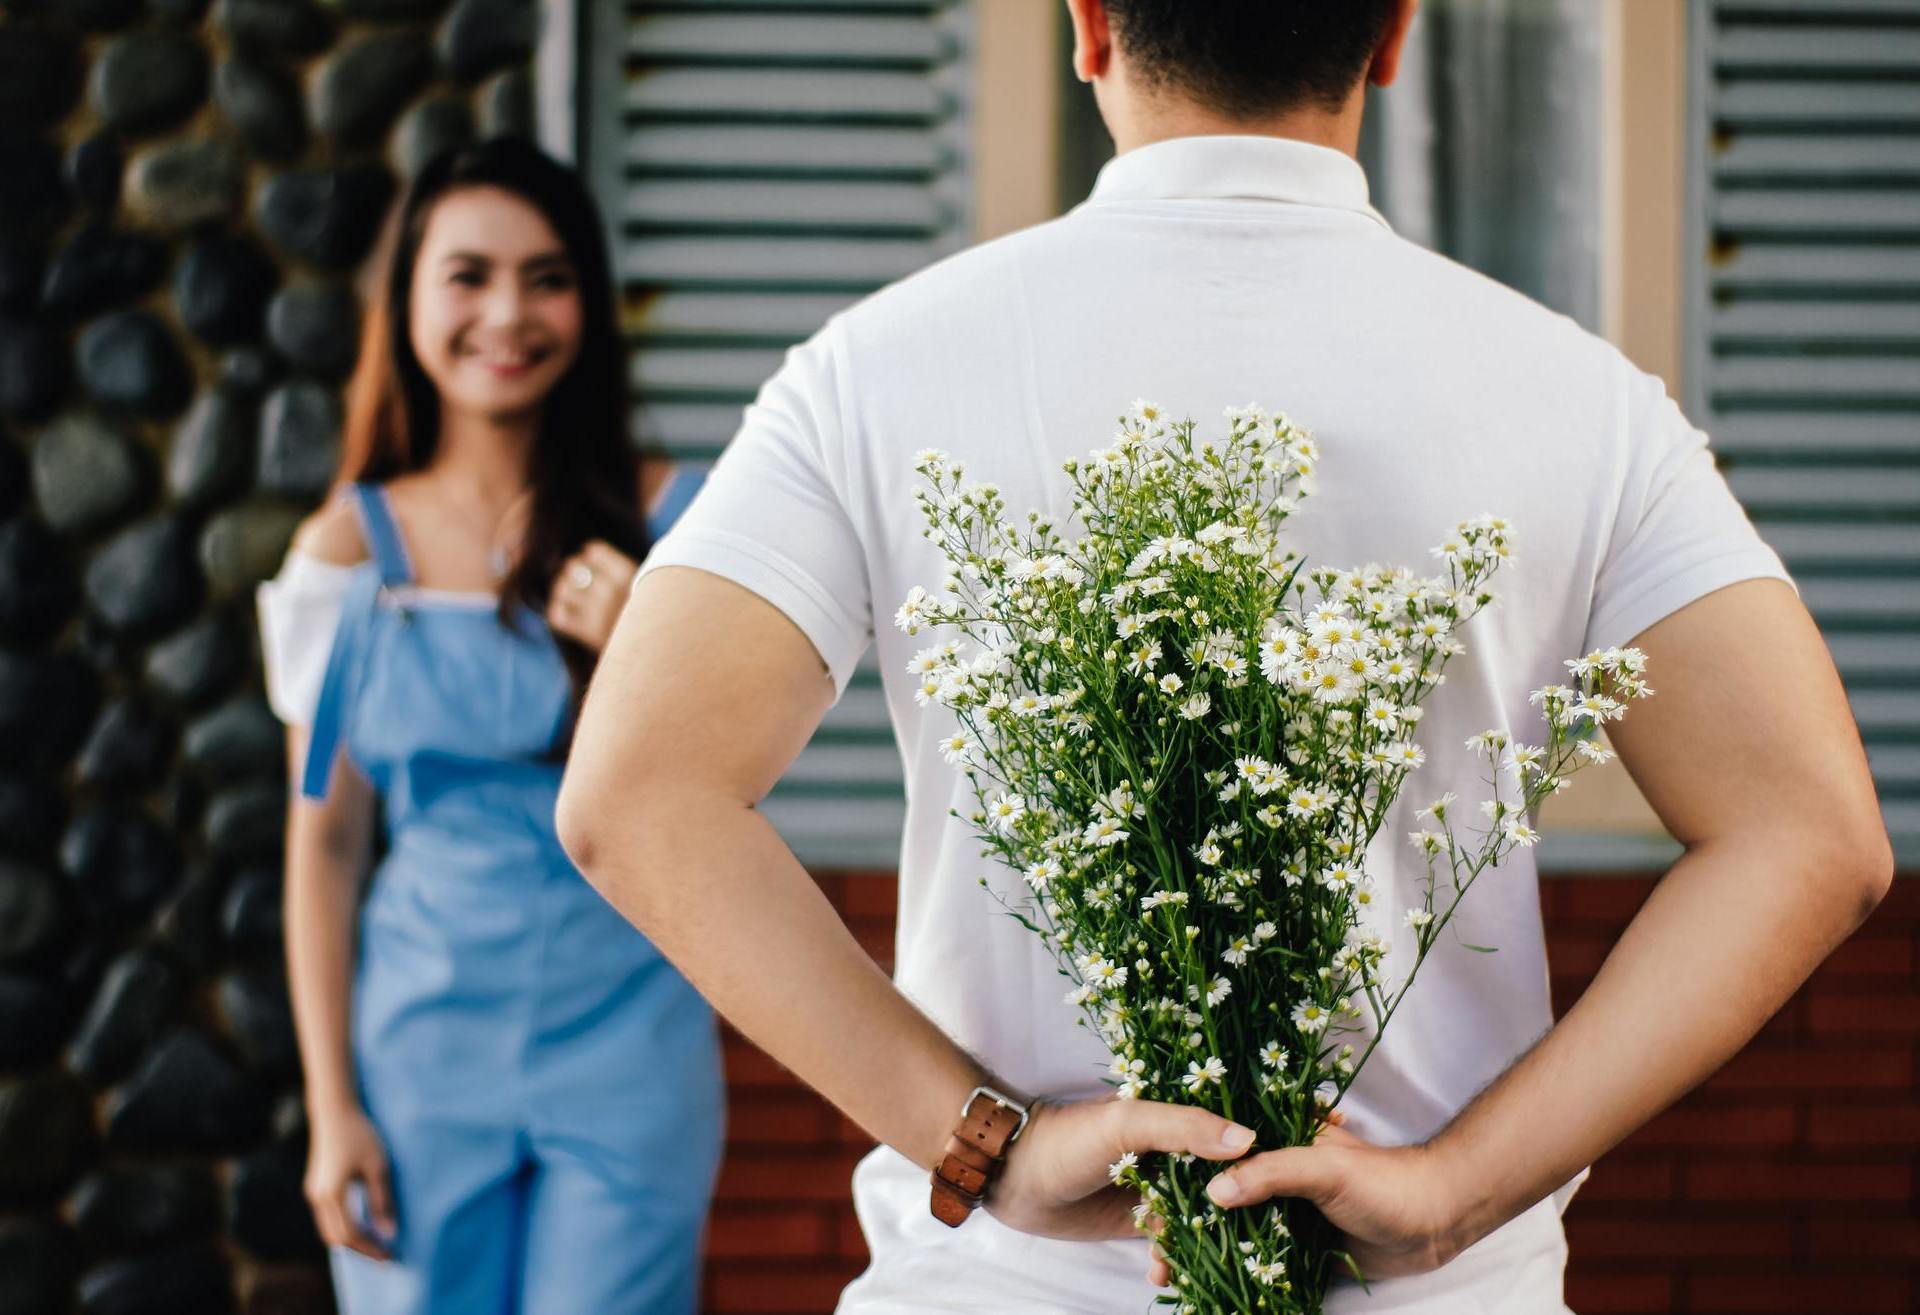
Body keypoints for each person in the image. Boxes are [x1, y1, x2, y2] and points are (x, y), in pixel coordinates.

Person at [554, 2, 1895, 1311]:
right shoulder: (1586, 398)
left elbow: (634, 795)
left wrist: (987, 1144)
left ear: (1089, 28)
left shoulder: (875, 370)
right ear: (1391, 35)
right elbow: (1815, 834)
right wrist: (1455, 1185)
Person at [257, 138, 720, 1314]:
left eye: (548, 276)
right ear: (407, 296)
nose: (507, 312)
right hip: (417, 1056)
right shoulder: (348, 550)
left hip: (633, 1046)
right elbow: (324, 844)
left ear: (590, 303)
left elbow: (736, 799)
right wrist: (333, 1108)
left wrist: (642, 661)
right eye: (468, 275)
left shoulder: (681, 524)